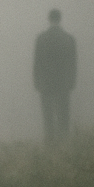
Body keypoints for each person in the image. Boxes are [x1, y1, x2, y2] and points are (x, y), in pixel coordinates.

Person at [33, 8, 78, 144]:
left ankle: (50, 146)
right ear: (60, 19)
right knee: (63, 116)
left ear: (49, 19)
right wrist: (72, 82)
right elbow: (73, 63)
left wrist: (37, 82)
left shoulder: (41, 39)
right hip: (63, 83)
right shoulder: (69, 39)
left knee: (48, 119)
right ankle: (64, 145)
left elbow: (37, 63)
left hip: (46, 84)